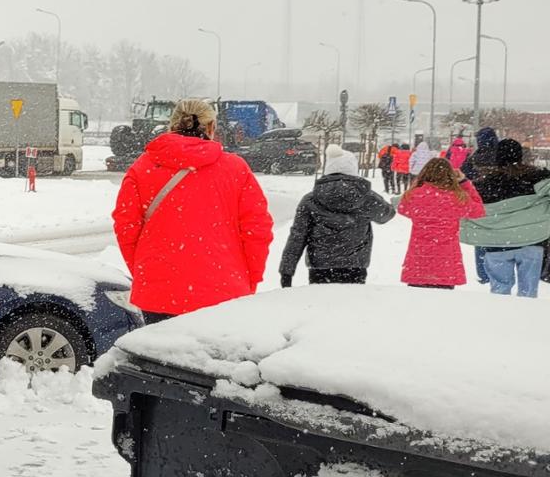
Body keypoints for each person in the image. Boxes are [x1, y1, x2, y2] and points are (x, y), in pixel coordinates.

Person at [111, 99, 273, 323]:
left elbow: (126, 227)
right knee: (215, 358)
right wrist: (250, 279)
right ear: (211, 128)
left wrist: (146, 271)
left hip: (158, 293)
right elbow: (257, 230)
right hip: (223, 291)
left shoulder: (143, 167)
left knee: (159, 356)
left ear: (172, 125)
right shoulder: (235, 169)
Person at [278, 146, 395, 287]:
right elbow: (387, 215)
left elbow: (297, 237)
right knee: (351, 306)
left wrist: (287, 272)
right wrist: (368, 193)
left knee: (321, 306)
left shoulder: (310, 199)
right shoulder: (366, 198)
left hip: (320, 266)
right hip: (355, 265)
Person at [459, 139, 550, 298]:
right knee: (529, 292)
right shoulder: (539, 178)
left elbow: (467, 205)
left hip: (496, 245)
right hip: (532, 241)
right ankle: (525, 320)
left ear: (497, 158)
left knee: (499, 291)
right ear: (521, 156)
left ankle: (501, 319)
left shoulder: (484, 184)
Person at [398, 158, 484, 289]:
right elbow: (479, 211)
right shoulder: (457, 197)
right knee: (442, 306)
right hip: (446, 262)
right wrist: (464, 182)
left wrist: (418, 184)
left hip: (419, 260)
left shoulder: (415, 195)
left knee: (416, 306)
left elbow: (402, 208)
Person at [462, 126, 502, 282]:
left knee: (481, 238)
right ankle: (499, 272)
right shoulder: (501, 155)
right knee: (499, 237)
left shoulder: (475, 157)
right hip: (502, 201)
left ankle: (483, 273)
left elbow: (465, 175)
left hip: (481, 201)